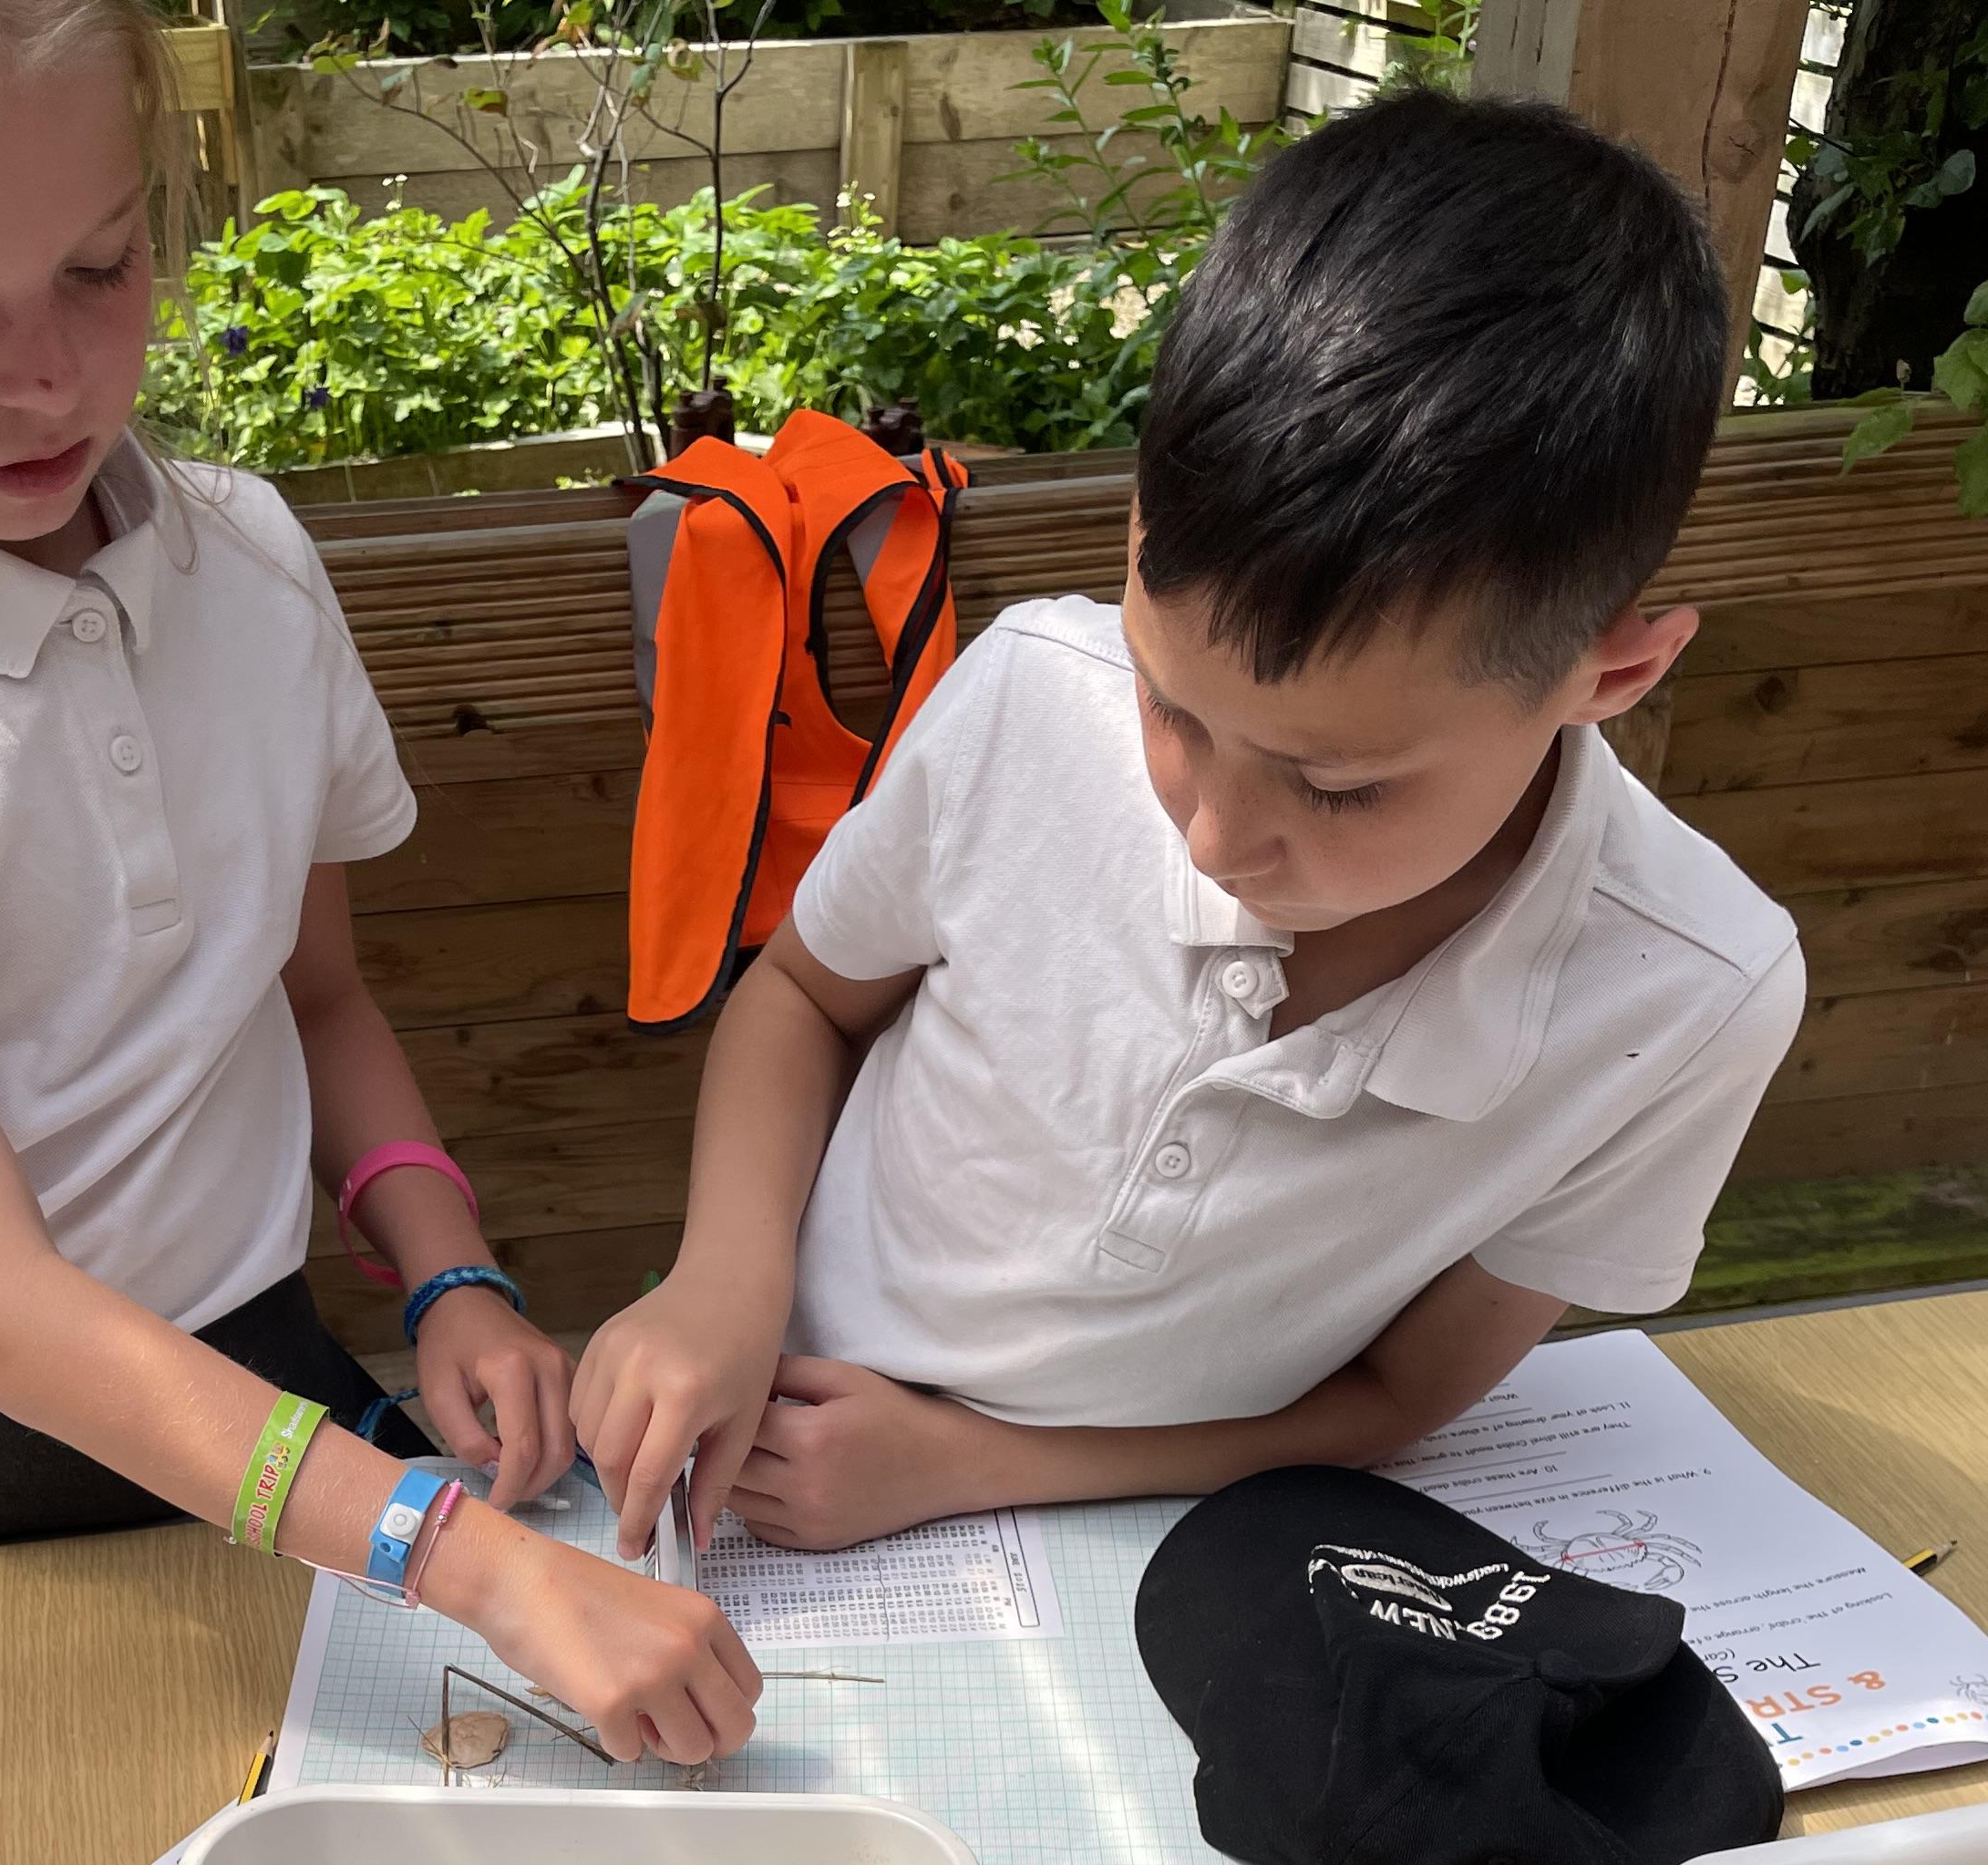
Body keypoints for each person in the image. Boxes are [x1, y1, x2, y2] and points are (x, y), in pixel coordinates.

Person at [0, 0, 757, 1766]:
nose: (50, 377)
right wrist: (482, 1568)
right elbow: (9, 1314)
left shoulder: (250, 568)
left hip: (265, 1386)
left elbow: (317, 997)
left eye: (101, 264)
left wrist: (451, 1275)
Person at [572, 93, 1808, 1566]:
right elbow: (800, 993)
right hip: (772, 1413)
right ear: (1139, 531)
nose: (1215, 835)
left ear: (1610, 674)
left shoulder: (1692, 996)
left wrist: (974, 1465)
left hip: (1159, 1532)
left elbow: (1406, 1395)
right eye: (1170, 704)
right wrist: (721, 1281)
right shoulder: (1034, 695)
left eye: (1337, 788)